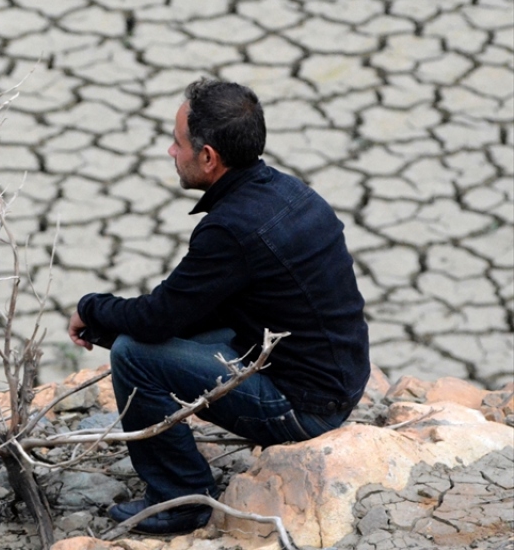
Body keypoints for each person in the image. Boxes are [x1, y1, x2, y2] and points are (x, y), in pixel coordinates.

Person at [69, 78, 370, 535]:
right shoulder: (290, 193)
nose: (172, 152)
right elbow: (189, 309)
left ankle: (179, 499)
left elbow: (158, 318)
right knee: (149, 337)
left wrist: (91, 309)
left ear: (208, 157)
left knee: (134, 354)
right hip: (337, 380)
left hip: (305, 408)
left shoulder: (231, 230)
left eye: (177, 143)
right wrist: (112, 324)